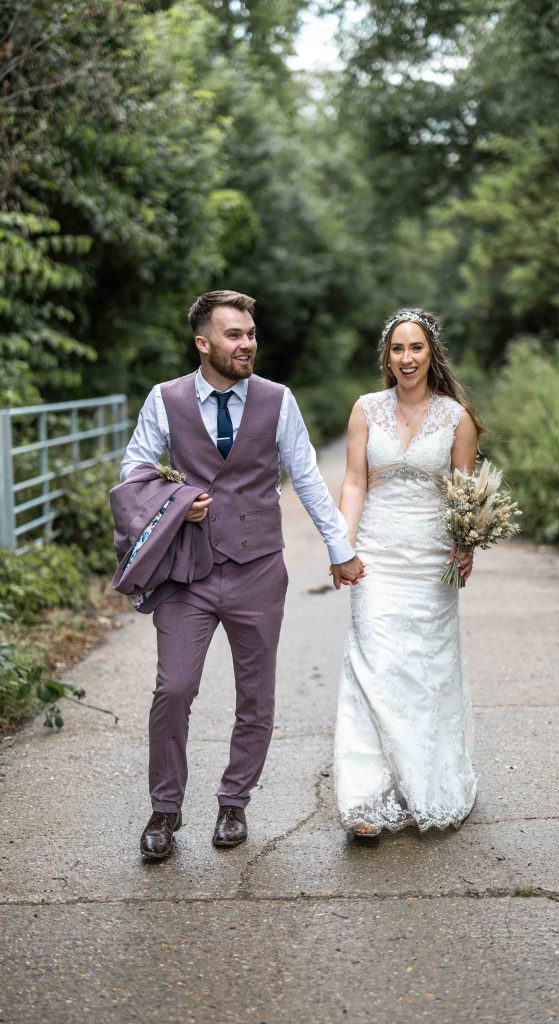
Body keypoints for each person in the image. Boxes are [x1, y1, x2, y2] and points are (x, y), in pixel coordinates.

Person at [120, 289, 365, 860]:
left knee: (256, 695)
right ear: (203, 343)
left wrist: (339, 549)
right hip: (188, 573)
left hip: (259, 568)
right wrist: (177, 499)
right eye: (234, 335)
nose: (247, 344)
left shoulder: (278, 400)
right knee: (173, 689)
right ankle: (165, 809)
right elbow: (134, 471)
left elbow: (306, 477)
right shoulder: (165, 399)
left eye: (250, 334)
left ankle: (234, 802)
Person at [333, 308, 484, 836]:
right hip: (376, 555)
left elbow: (466, 494)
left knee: (426, 672)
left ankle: (427, 780)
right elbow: (355, 482)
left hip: (430, 562)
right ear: (386, 357)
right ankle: (365, 800)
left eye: (415, 348)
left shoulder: (455, 417)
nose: (406, 358)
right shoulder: (365, 410)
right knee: (371, 667)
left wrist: (466, 546)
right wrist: (341, 546)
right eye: (397, 349)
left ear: (431, 353)